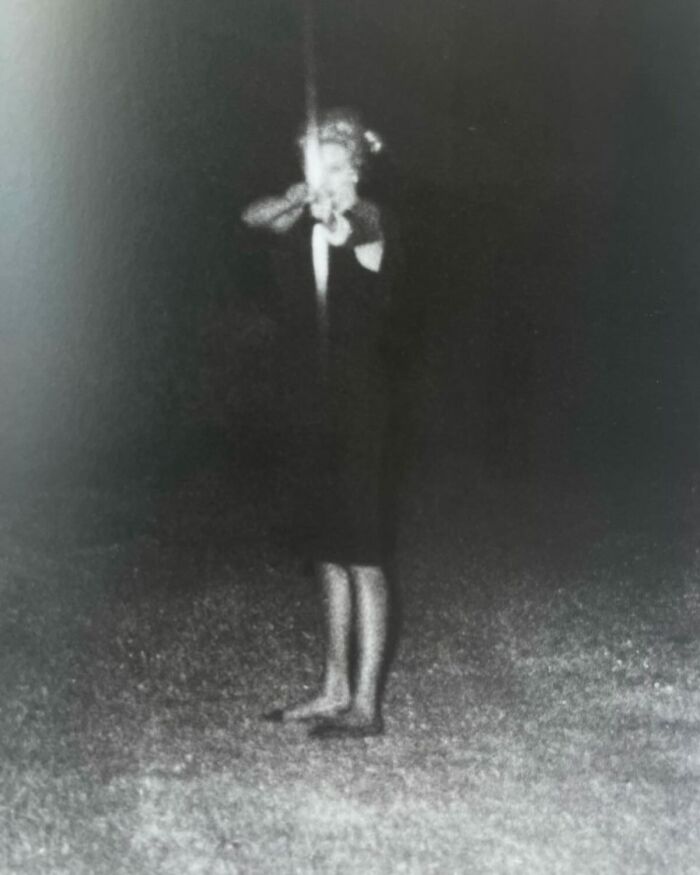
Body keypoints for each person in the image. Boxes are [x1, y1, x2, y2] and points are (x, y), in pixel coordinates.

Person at [241, 108, 401, 738]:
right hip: (312, 400)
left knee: (363, 555)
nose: (324, 177)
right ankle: (332, 687)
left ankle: (366, 705)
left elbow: (351, 234)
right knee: (328, 552)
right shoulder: (299, 214)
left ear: (355, 167)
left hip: (363, 401)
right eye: (315, 166)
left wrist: (330, 210)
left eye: (335, 166)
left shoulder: (371, 218)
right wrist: (292, 197)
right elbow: (252, 218)